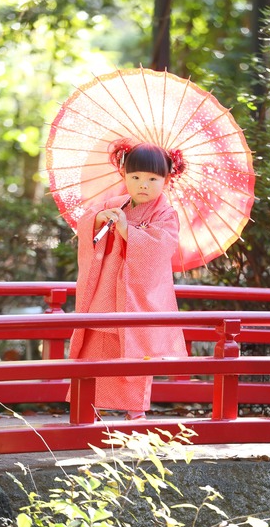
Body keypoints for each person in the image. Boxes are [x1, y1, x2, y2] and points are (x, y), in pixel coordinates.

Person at [65, 138, 189, 421]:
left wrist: (127, 231)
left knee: (134, 355)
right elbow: (86, 222)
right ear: (124, 175)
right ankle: (88, 409)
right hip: (104, 293)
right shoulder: (113, 203)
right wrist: (97, 220)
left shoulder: (165, 214)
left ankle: (135, 414)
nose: (142, 184)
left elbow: (162, 248)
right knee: (96, 348)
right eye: (135, 176)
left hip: (137, 300)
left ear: (166, 180)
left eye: (152, 178)